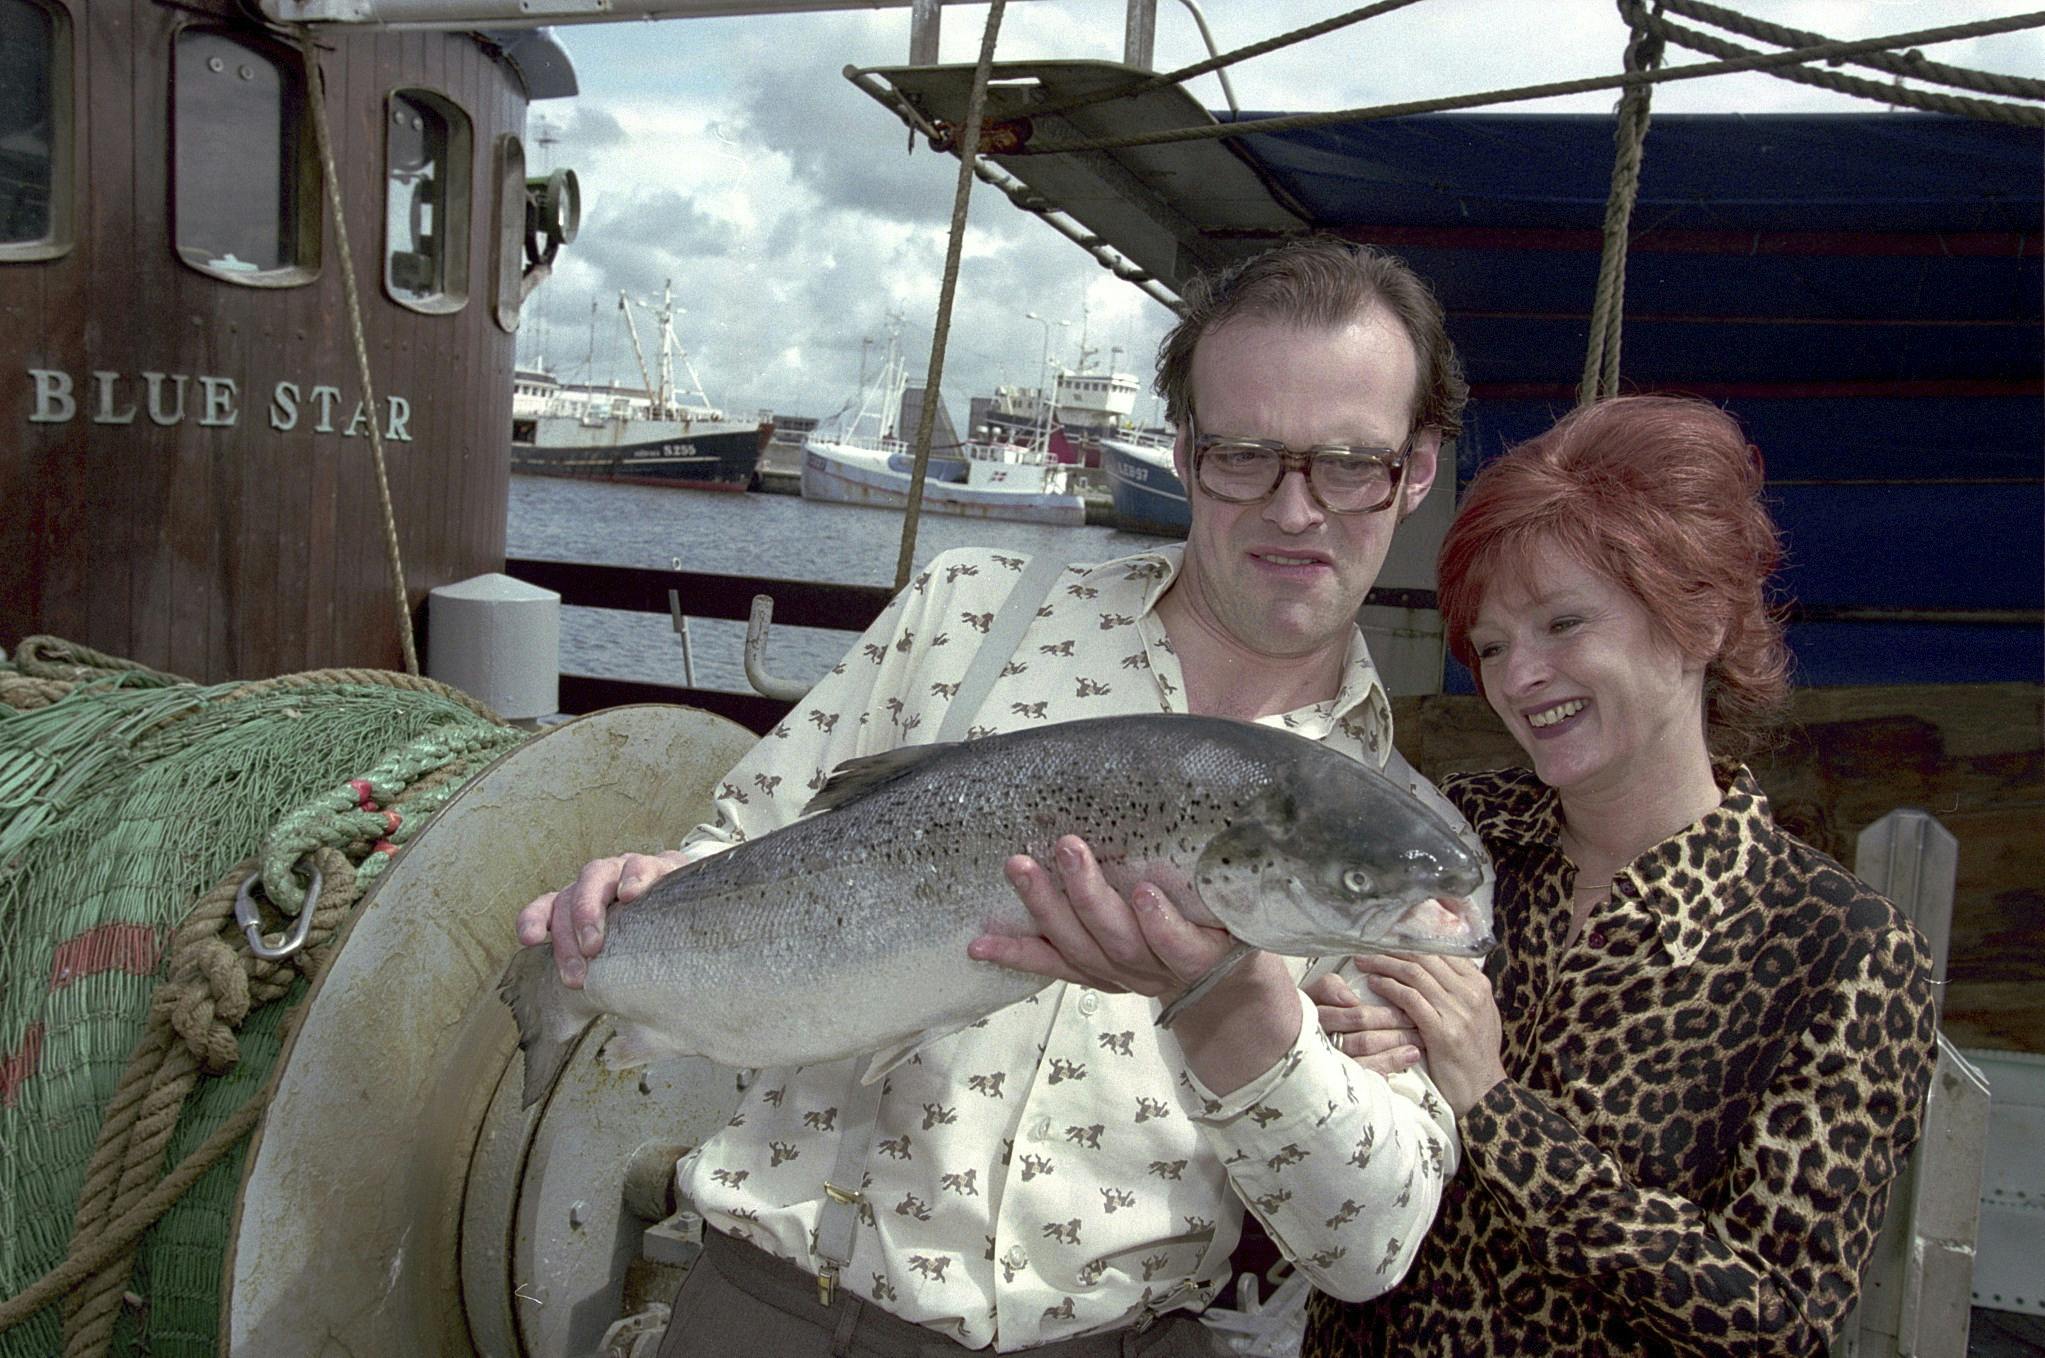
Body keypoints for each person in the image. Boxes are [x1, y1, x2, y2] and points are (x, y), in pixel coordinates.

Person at [516, 237, 1486, 1356]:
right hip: (766, 1308)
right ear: (1181, 451)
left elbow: (1368, 1242)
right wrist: (644, 891)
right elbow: (738, 847)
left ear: (1414, 470)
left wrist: (1232, 1000)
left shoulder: (1401, 857)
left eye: (1349, 464)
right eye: (1242, 455)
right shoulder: (971, 611)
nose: (1295, 507)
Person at [1301, 395, 1940, 1357]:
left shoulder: (1838, 950)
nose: (1518, 678)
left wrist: (1492, 1102)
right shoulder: (1451, 832)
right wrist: (1335, 1031)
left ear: (1703, 621)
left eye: (1562, 624)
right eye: (1492, 645)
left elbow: (1775, 1324)